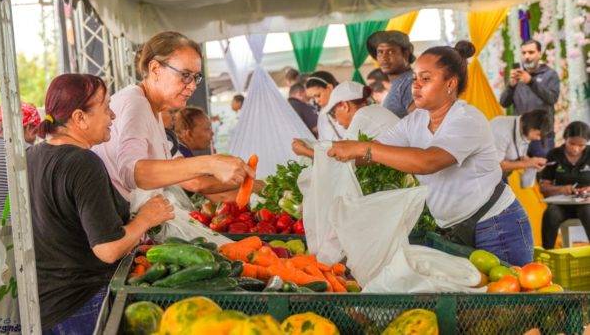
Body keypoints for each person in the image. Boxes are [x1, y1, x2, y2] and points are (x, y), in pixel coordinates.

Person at [327, 41, 534, 266]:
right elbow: (376, 151)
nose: (416, 86)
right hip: (455, 229)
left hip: (497, 225)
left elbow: (428, 161)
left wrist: (361, 148)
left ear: (450, 84)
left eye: (425, 79)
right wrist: (323, 154)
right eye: (415, 78)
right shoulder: (416, 120)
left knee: (509, 296)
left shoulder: (467, 119)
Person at [26, 74, 174, 334]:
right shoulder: (83, 163)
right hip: (81, 304)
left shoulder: (33, 156)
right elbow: (107, 249)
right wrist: (147, 218)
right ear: (79, 118)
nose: (113, 116)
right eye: (106, 108)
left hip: (45, 307)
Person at [92, 31, 253, 203]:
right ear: (155, 69)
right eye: (185, 75)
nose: (192, 86)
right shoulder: (136, 104)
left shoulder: (150, 107)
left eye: (196, 77)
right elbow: (132, 172)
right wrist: (210, 163)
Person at [292, 81, 399, 158]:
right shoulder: (374, 110)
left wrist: (306, 151)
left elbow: (341, 158)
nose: (337, 121)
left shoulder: (362, 115)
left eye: (334, 113)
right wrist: (310, 145)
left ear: (344, 105)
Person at [499, 39, 560, 158]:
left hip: (542, 135)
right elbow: (504, 103)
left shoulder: (550, 75)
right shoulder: (517, 75)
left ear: (539, 53)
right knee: (517, 172)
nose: (527, 56)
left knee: (542, 169)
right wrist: (511, 86)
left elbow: (552, 99)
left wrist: (531, 82)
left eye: (531, 52)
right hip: (519, 134)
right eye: (524, 53)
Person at [539, 121, 590, 249]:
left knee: (588, 211)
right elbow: (543, 188)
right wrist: (561, 189)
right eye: (572, 143)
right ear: (565, 139)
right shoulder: (554, 154)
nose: (575, 148)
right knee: (550, 214)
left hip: (586, 204)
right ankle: (548, 255)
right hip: (562, 206)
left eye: (581, 145)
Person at [367, 30, 416, 118]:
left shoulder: (409, 83)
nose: (384, 58)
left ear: (405, 54)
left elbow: (419, 124)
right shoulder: (398, 83)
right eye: (380, 52)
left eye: (390, 52)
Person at [490, 109, 550, 177]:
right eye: (538, 134)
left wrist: (535, 163)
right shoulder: (502, 132)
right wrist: (528, 163)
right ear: (531, 127)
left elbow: (520, 153)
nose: (538, 138)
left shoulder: (524, 128)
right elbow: (496, 166)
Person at [305, 71, 346, 141]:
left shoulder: (348, 104)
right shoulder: (322, 115)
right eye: (313, 98)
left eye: (318, 95)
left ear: (329, 88)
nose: (316, 101)